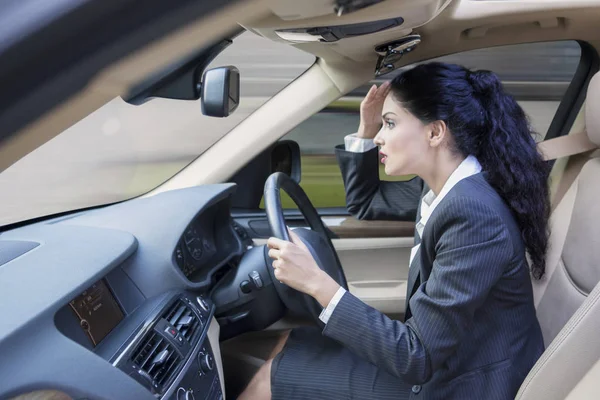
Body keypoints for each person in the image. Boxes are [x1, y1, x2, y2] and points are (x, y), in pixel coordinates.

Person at [238, 62, 549, 399]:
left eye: (389, 124)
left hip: (464, 384)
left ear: (434, 132)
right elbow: (366, 202)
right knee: (290, 343)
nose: (378, 137)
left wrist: (315, 282)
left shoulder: (473, 214)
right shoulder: (443, 186)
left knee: (271, 377)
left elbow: (417, 357)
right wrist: (364, 127)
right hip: (451, 362)